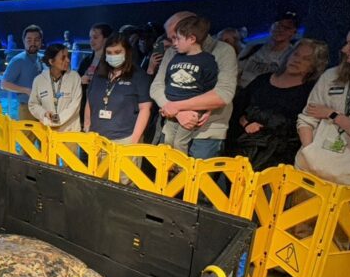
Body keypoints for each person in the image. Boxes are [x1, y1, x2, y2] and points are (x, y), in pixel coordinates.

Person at [295, 18, 350, 185]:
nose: (344, 49)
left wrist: (333, 114)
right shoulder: (331, 76)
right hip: (312, 172)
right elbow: (307, 118)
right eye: (346, 43)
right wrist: (310, 153)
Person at [226, 39, 328, 170]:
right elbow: (237, 110)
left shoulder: (311, 94)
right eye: (296, 54)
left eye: (306, 59)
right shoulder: (262, 81)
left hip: (277, 163)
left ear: (315, 66)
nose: (297, 60)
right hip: (240, 152)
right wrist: (245, 123)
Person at [150, 11, 238, 159]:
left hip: (207, 133)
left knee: (197, 179)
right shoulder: (173, 52)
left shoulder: (223, 51)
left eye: (176, 37)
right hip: (173, 122)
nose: (173, 43)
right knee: (168, 173)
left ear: (191, 33)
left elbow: (223, 94)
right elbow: (157, 87)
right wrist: (177, 112)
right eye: (171, 38)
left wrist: (178, 107)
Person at [84, 32, 152, 182]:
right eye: (109, 53)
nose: (112, 56)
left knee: (123, 185)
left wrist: (134, 141)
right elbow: (90, 100)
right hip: (97, 139)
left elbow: (145, 109)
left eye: (117, 52)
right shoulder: (100, 74)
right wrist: (87, 126)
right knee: (97, 181)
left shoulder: (138, 75)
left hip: (124, 140)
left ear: (126, 52)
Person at [161, 16, 219, 153]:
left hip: (191, 109)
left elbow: (211, 86)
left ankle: (180, 172)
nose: (174, 43)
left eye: (178, 39)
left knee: (180, 142)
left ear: (192, 39)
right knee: (168, 140)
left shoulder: (207, 60)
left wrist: (206, 110)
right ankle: (167, 171)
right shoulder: (176, 57)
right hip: (172, 107)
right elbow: (168, 79)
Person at [28, 43, 82, 135]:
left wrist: (58, 120)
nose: (68, 60)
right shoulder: (39, 80)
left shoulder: (74, 77)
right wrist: (44, 113)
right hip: (47, 133)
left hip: (70, 132)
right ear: (51, 61)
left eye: (68, 56)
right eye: (63, 58)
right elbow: (33, 104)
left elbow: (75, 105)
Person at [238, 11, 299, 87]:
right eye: (278, 25)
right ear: (271, 27)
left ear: (294, 32)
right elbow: (236, 71)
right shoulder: (253, 48)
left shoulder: (293, 56)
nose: (281, 29)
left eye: (287, 28)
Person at [1, 25, 45, 121]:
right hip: (27, 109)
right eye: (29, 40)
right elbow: (4, 84)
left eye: (36, 40)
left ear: (41, 41)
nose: (33, 43)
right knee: (27, 136)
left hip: (44, 108)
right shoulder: (18, 60)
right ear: (24, 41)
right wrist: (26, 90)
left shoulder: (43, 59)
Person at [77, 23, 113, 126]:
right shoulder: (86, 61)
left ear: (106, 39)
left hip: (103, 107)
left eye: (96, 37)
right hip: (85, 106)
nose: (92, 41)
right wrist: (80, 80)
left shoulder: (111, 61)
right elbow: (76, 81)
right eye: (90, 37)